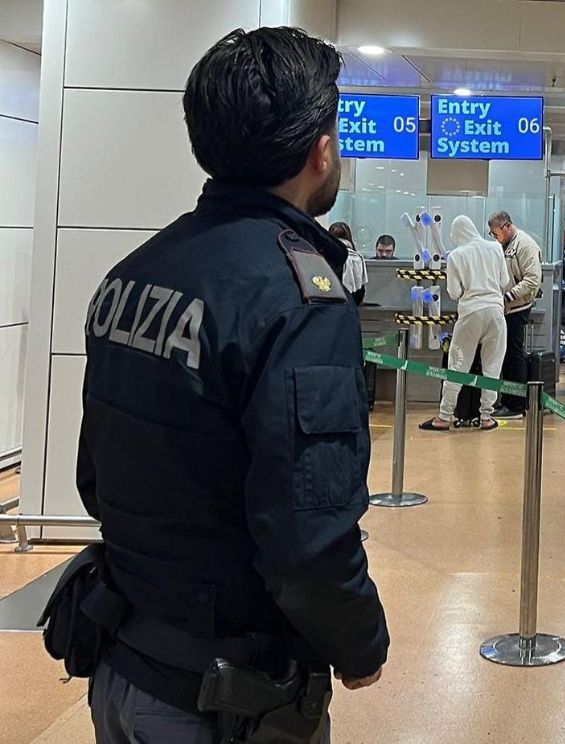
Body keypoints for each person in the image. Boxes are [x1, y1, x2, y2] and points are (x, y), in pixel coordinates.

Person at [59, 27, 389, 744]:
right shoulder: (300, 300)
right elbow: (308, 537)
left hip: (122, 664)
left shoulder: (136, 271)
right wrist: (360, 642)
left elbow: (95, 478)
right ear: (321, 151)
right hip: (224, 700)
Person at [419, 216, 511, 432]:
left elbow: (454, 292)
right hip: (496, 314)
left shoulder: (456, 255)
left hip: (470, 314)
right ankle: (486, 416)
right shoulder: (495, 248)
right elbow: (505, 282)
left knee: (457, 366)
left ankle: (444, 416)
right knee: (492, 366)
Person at [488, 210, 542, 420]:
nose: (495, 237)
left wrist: (509, 296)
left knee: (513, 355)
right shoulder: (504, 245)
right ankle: (506, 400)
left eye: (496, 233)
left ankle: (516, 404)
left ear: (507, 226)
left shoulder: (525, 245)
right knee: (505, 355)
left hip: (517, 308)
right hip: (505, 308)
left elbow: (532, 280)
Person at [330, 221, 367, 304]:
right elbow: (360, 291)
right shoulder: (357, 258)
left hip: (328, 303)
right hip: (351, 303)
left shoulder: (323, 256)